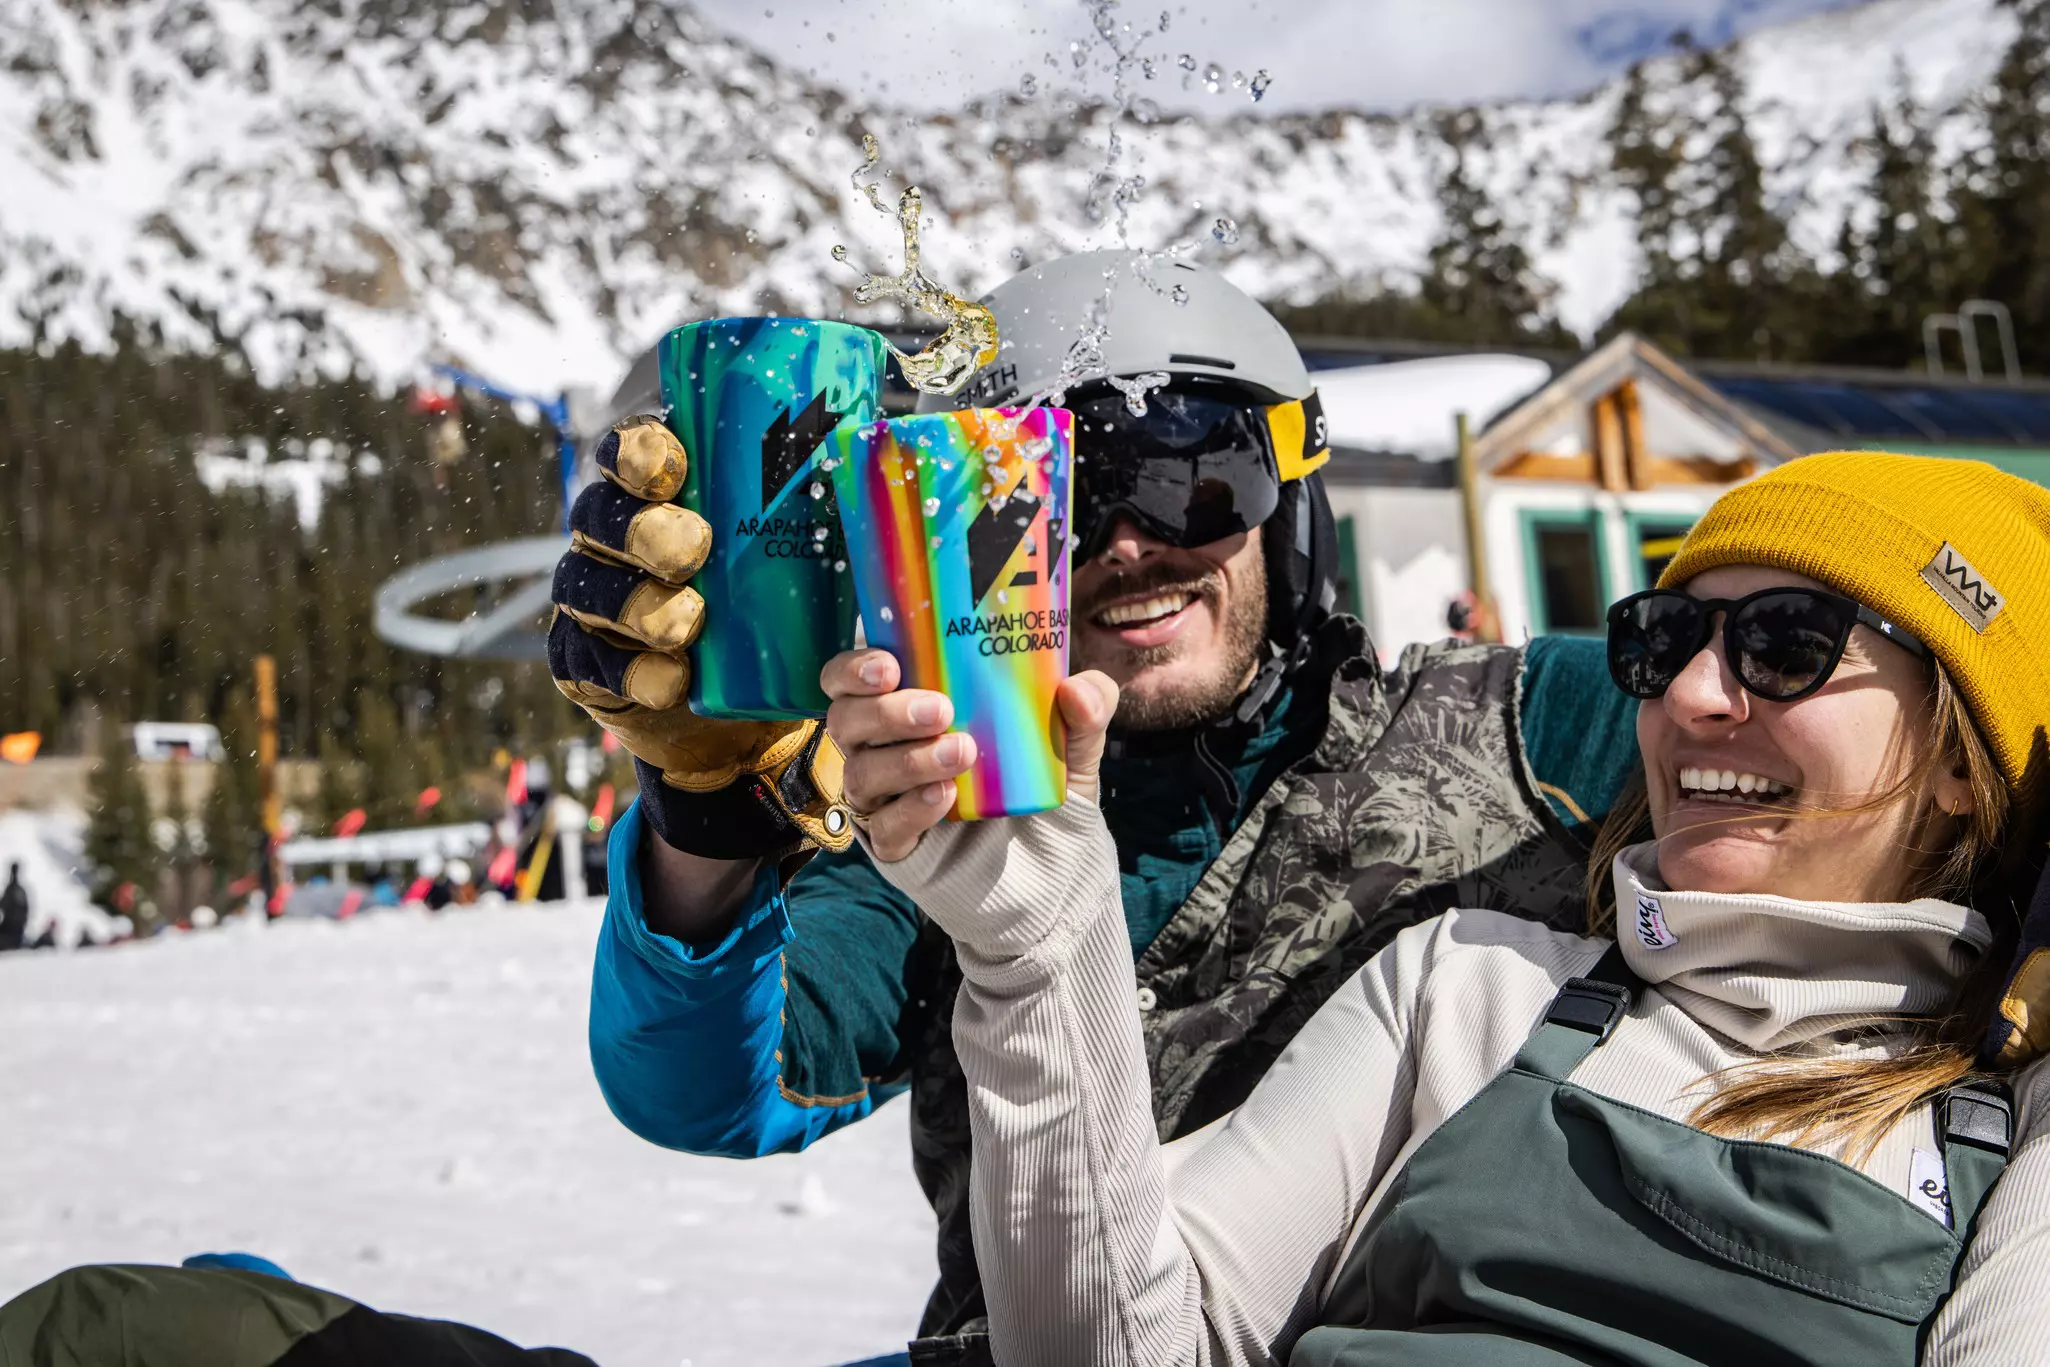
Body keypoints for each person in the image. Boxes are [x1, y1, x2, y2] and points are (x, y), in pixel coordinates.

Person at [546, 250, 1642, 1363]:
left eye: (1195, 477)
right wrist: (708, 820)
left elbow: (1743, 715)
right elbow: (706, 1091)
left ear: (1290, 500)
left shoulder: (1523, 730)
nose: (1126, 541)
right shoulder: (955, 826)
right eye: (1048, 498)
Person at [857, 451, 2050, 1365]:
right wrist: (1034, 941)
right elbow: (1119, 1345)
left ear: (1964, 754)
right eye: (1664, 639)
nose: (1691, 692)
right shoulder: (1469, 984)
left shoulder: (2013, 1127)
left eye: (1787, 643)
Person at [0, 861, 28, 951]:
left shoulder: (12, 890)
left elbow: (3, 904)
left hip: (11, 930)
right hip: (16, 930)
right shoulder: (19, 890)